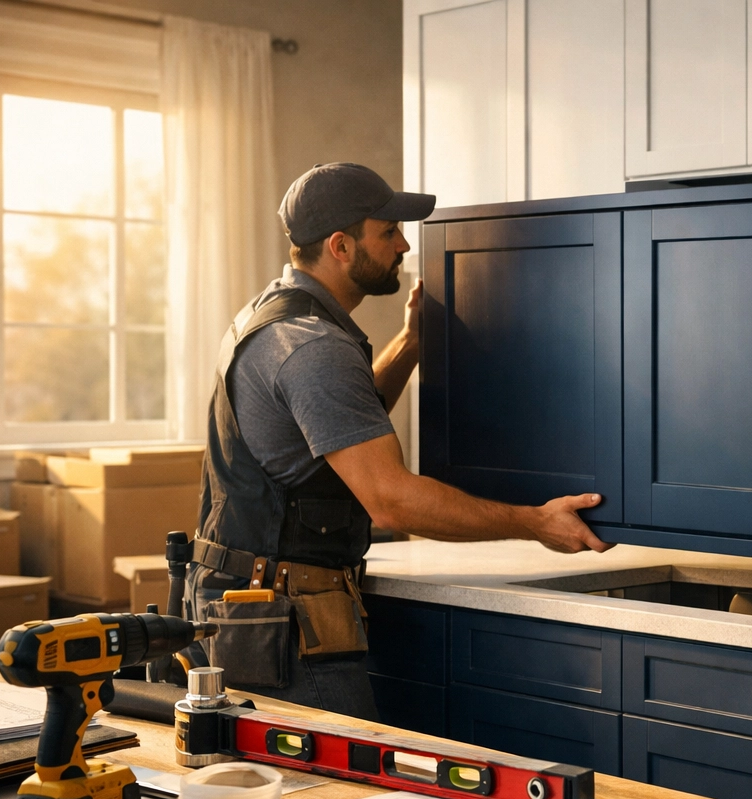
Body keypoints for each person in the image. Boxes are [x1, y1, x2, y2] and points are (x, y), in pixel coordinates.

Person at [189, 163, 611, 719]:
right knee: (331, 796)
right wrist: (536, 522)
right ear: (341, 246)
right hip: (286, 623)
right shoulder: (315, 347)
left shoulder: (273, 314)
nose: (404, 244)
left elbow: (333, 430)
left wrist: (411, 344)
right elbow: (392, 499)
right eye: (387, 232)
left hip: (250, 605)